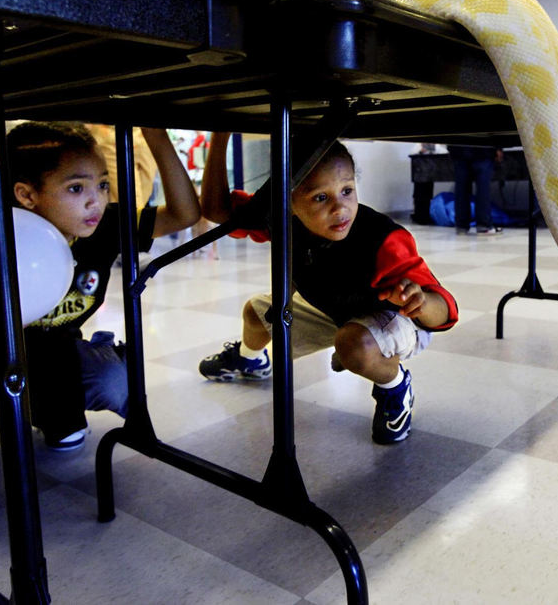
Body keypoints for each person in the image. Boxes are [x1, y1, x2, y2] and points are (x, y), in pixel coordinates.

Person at [0, 121, 201, 499]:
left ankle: (50, 412)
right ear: (27, 195)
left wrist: (156, 134)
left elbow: (184, 216)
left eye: (102, 184)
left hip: (50, 355)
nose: (96, 200)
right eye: (76, 188)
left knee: (115, 378)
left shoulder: (102, 226)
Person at [196, 133, 458, 444]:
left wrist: (421, 301)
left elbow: (446, 310)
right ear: (289, 201)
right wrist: (220, 135)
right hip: (332, 308)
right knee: (256, 312)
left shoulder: (383, 239)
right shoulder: (281, 218)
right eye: (321, 197)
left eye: (347, 191)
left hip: (392, 314)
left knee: (353, 345)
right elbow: (217, 211)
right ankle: (250, 358)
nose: (340, 208)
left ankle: (396, 388)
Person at [447, 144, 502, 235]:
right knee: (483, 189)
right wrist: (498, 148)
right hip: (483, 148)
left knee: (461, 189)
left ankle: (461, 226)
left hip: (459, 147)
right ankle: (484, 225)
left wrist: (450, 148)